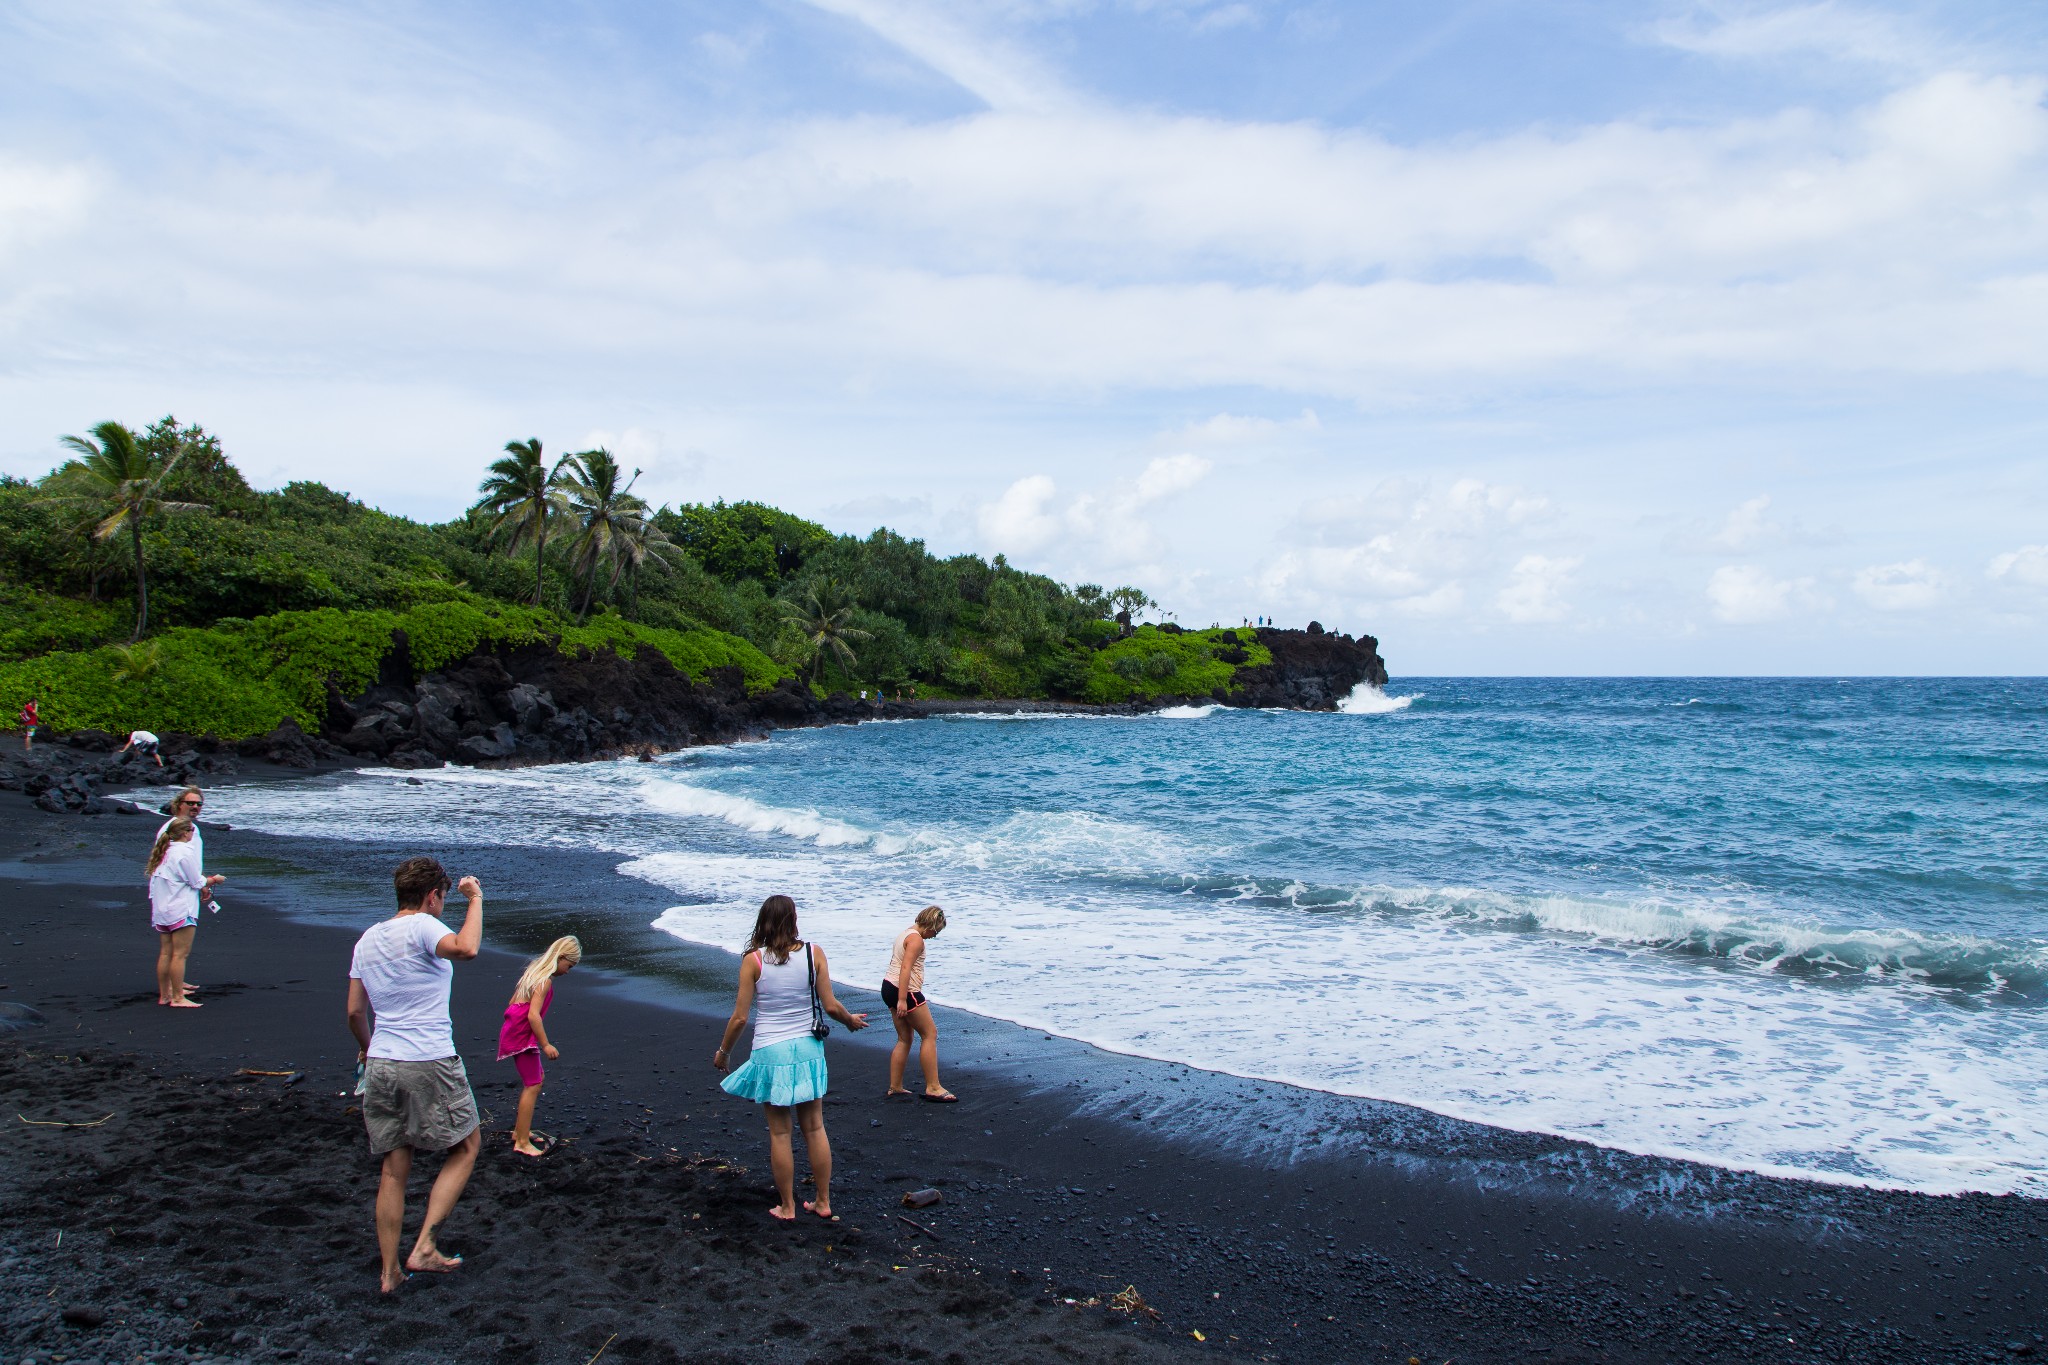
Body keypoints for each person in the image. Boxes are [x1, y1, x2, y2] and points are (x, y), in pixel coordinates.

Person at [346, 858, 484, 1294]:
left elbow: (354, 1011)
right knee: (466, 1145)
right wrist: (476, 899)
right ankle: (424, 1245)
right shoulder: (423, 925)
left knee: (394, 1165)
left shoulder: (367, 939)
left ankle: (389, 1272)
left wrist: (368, 1049)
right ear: (432, 896)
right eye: (443, 897)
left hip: (382, 1060)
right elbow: (466, 949)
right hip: (426, 1057)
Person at [713, 895, 868, 1222]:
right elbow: (831, 1005)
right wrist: (850, 1020)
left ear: (763, 921)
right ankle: (823, 1202)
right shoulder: (814, 953)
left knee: (781, 1133)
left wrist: (724, 1052)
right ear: (793, 920)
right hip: (809, 1049)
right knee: (814, 1127)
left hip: (772, 1051)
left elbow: (740, 1018)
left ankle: (788, 1206)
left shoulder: (753, 961)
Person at [499, 935, 580, 1158]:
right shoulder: (544, 981)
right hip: (522, 1036)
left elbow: (512, 1003)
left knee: (536, 1079)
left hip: (516, 1032)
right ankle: (522, 1141)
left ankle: (519, 1131)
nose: (568, 971)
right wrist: (545, 1044)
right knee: (533, 1084)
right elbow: (534, 1016)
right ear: (560, 957)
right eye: (569, 965)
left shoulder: (534, 971)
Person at [147, 817, 222, 1008]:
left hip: (162, 908)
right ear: (184, 833)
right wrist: (214, 879)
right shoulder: (184, 852)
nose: (192, 835)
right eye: (190, 831)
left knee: (166, 953)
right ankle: (178, 997)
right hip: (181, 908)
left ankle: (165, 995)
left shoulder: (163, 851)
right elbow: (196, 881)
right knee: (180, 954)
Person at [883, 905, 955, 1102]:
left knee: (904, 1038)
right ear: (930, 924)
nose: (934, 936)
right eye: (936, 931)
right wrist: (902, 1000)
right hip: (905, 991)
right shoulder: (916, 940)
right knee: (930, 1033)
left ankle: (895, 1086)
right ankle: (933, 1087)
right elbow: (905, 968)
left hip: (888, 986)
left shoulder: (906, 933)